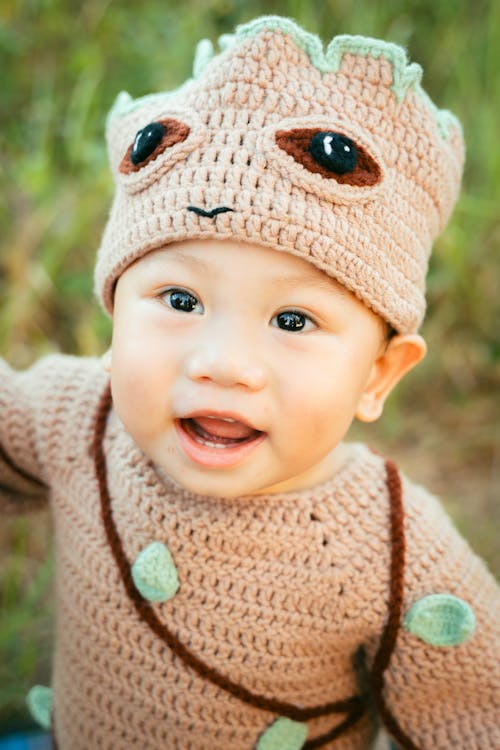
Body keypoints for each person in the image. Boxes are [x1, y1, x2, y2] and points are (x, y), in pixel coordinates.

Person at [1, 14, 498, 750]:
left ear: (378, 374)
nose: (224, 363)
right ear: (114, 317)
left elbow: (473, 720)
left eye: (293, 321)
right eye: (179, 301)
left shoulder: (389, 550)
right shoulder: (78, 417)